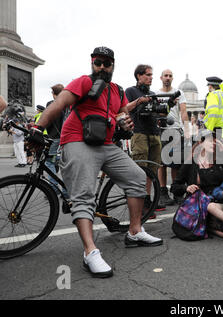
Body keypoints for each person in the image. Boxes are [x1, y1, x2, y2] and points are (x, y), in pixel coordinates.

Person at [27, 46, 163, 279]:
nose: (101, 67)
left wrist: (125, 124)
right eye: (97, 62)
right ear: (92, 63)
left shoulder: (117, 90)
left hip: (106, 144)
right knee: (83, 196)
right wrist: (38, 128)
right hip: (77, 140)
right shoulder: (83, 82)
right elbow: (58, 104)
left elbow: (121, 115)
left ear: (112, 66)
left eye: (106, 63)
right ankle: (90, 252)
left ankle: (134, 231)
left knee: (138, 178)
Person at [170, 131, 223, 236]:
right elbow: (174, 187)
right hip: (198, 207)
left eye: (215, 141)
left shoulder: (220, 161)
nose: (213, 143)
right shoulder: (191, 163)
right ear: (200, 142)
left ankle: (210, 228)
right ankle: (210, 228)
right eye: (210, 140)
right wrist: (186, 188)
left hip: (218, 204)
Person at [125, 64, 165, 212]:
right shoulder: (130, 91)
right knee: (140, 170)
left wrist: (165, 108)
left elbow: (158, 114)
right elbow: (125, 108)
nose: (150, 78)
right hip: (139, 133)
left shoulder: (153, 93)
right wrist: (139, 101)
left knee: (152, 171)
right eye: (147, 75)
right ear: (139, 76)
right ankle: (139, 203)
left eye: (151, 75)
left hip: (154, 133)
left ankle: (147, 201)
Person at [156, 69, 189, 206]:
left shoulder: (179, 93)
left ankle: (176, 191)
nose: (168, 78)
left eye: (170, 76)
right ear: (161, 77)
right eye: (165, 76)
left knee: (176, 163)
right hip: (161, 130)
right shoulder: (156, 94)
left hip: (175, 129)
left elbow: (183, 111)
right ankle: (163, 192)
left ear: (172, 78)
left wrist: (186, 129)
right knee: (161, 163)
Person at [45, 84, 69, 197]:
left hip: (54, 137)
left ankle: (53, 189)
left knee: (49, 162)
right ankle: (66, 192)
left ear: (54, 94)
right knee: (64, 163)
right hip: (66, 138)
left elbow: (47, 120)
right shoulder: (67, 104)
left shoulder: (52, 104)